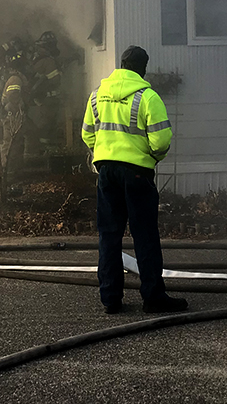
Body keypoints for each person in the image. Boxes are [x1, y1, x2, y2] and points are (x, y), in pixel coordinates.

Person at [82, 45, 186, 314]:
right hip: (138, 173)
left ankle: (110, 299)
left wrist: (103, 154)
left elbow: (87, 134)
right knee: (145, 235)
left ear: (122, 64)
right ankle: (153, 297)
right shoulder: (148, 97)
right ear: (143, 69)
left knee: (109, 235)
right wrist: (150, 158)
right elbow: (161, 141)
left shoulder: (97, 95)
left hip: (106, 172)